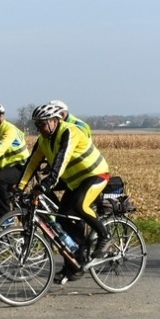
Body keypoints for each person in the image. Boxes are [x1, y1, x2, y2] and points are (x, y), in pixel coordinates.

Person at [19, 102, 110, 279]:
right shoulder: (44, 141)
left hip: (95, 174)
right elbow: (32, 164)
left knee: (79, 205)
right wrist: (19, 187)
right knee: (62, 218)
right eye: (37, 125)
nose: (40, 129)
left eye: (43, 124)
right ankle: (78, 258)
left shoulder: (69, 131)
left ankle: (105, 236)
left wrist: (47, 183)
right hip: (75, 181)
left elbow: (62, 159)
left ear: (55, 121)